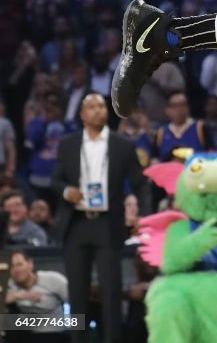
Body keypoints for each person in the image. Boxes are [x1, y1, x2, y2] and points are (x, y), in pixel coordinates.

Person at [50, 93, 149, 343]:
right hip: (77, 224)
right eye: (91, 107)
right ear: (82, 114)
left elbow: (141, 183)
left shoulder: (122, 145)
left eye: (101, 106)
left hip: (108, 224)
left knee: (111, 291)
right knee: (77, 292)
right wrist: (66, 191)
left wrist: (143, 216)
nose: (97, 111)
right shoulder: (68, 144)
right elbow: (55, 180)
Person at [6, 249, 68, 336]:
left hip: (55, 334)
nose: (16, 270)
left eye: (19, 265)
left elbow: (77, 302)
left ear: (30, 264)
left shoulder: (53, 279)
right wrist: (18, 296)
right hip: (26, 335)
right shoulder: (8, 285)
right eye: (12, 266)